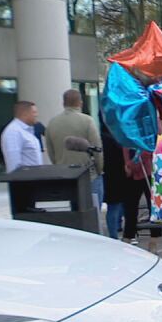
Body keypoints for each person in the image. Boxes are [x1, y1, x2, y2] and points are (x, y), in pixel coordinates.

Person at [46, 89, 105, 227]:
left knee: (71, 214)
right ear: (80, 103)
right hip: (88, 175)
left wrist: (59, 166)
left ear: (63, 103)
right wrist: (99, 169)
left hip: (64, 175)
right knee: (93, 213)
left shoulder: (52, 123)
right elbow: (97, 149)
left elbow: (51, 152)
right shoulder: (87, 121)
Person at [1, 101, 43, 173]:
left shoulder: (26, 131)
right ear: (25, 114)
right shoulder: (13, 132)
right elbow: (13, 163)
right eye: (34, 112)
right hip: (23, 181)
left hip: (34, 178)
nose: (37, 115)